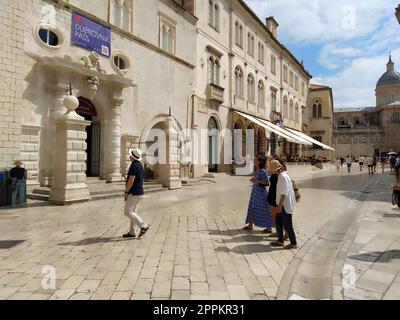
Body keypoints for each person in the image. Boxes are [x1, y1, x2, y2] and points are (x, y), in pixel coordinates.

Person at [269, 160, 297, 250]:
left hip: (284, 204)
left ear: (275, 170)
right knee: (278, 221)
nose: (271, 172)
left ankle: (293, 243)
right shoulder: (283, 175)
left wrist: (280, 205)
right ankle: (280, 240)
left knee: (288, 224)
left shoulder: (282, 177)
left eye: (271, 170)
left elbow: (284, 193)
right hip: (282, 204)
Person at [123, 148, 149, 239]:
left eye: (130, 155)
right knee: (133, 212)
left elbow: (131, 180)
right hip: (139, 192)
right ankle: (132, 231)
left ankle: (143, 226)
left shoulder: (133, 166)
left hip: (133, 193)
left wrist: (126, 191)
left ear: (132, 157)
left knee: (127, 212)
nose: (129, 156)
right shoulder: (140, 165)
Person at [243, 155, 273, 232]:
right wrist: (254, 180)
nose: (254, 160)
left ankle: (269, 228)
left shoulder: (262, 171)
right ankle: (250, 225)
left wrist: (257, 181)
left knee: (265, 209)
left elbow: (267, 182)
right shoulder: (257, 170)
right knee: (252, 207)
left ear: (259, 161)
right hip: (255, 192)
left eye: (255, 159)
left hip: (261, 193)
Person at [267, 157, 288, 240]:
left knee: (280, 216)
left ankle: (286, 233)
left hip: (277, 196)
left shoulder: (281, 175)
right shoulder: (275, 173)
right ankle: (278, 231)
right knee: (273, 215)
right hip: (273, 195)